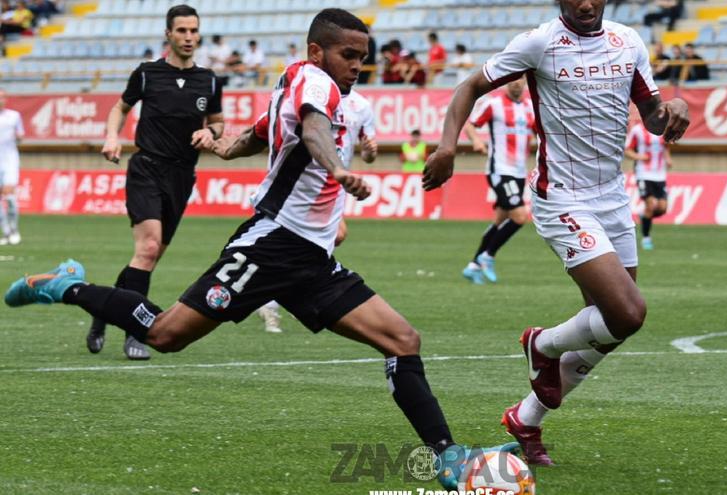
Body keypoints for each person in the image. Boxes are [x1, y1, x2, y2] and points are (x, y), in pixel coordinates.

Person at [5, 9, 516, 489]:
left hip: (311, 260)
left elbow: (263, 132)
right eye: (349, 56)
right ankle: (65, 286)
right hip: (269, 247)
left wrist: (228, 146)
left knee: (403, 340)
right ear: (318, 52)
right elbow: (314, 129)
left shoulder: (297, 81)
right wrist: (337, 168)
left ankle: (449, 459)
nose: (359, 66)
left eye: (364, 56)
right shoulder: (315, 84)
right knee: (164, 335)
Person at [422, 0, 689, 465]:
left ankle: (526, 419)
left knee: (608, 328)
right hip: (561, 196)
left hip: (613, 197)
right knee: (627, 312)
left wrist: (675, 107)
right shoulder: (540, 42)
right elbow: (470, 86)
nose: (585, 3)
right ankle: (540, 343)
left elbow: (652, 116)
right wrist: (448, 147)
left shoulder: (629, 42)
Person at [86, 4, 225, 361]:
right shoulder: (147, 74)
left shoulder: (209, 80)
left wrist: (210, 132)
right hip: (146, 167)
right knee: (147, 249)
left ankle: (103, 310)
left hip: (182, 176)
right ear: (168, 34)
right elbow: (119, 107)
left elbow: (219, 123)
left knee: (150, 256)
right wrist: (112, 137)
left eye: (194, 31)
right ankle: (136, 332)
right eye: (182, 31)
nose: (189, 37)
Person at [256, 85, 379, 333]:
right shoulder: (313, 94)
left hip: (334, 185)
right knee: (320, 236)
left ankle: (273, 291)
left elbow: (367, 154)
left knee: (325, 238)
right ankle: (276, 292)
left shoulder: (362, 106)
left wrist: (369, 151)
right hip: (305, 180)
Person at [460, 77, 535, 285]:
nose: (516, 83)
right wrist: (476, 140)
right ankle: (488, 256)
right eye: (512, 79)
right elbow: (470, 126)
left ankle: (473, 265)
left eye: (520, 79)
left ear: (526, 82)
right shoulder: (493, 104)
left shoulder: (530, 107)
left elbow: (540, 132)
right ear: (505, 82)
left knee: (500, 220)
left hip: (519, 173)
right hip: (501, 170)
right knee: (520, 217)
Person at [624, 116, 671, 250]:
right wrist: (640, 157)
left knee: (662, 208)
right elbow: (627, 150)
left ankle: (644, 216)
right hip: (643, 173)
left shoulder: (663, 130)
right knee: (651, 204)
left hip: (660, 174)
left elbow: (665, 147)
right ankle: (646, 238)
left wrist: (668, 159)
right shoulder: (637, 131)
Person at [0, 88, 24, 246]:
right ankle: (6, 231)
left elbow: (21, 135)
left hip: (9, 161)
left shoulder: (14, 116)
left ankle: (14, 229)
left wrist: (18, 137)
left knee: (9, 196)